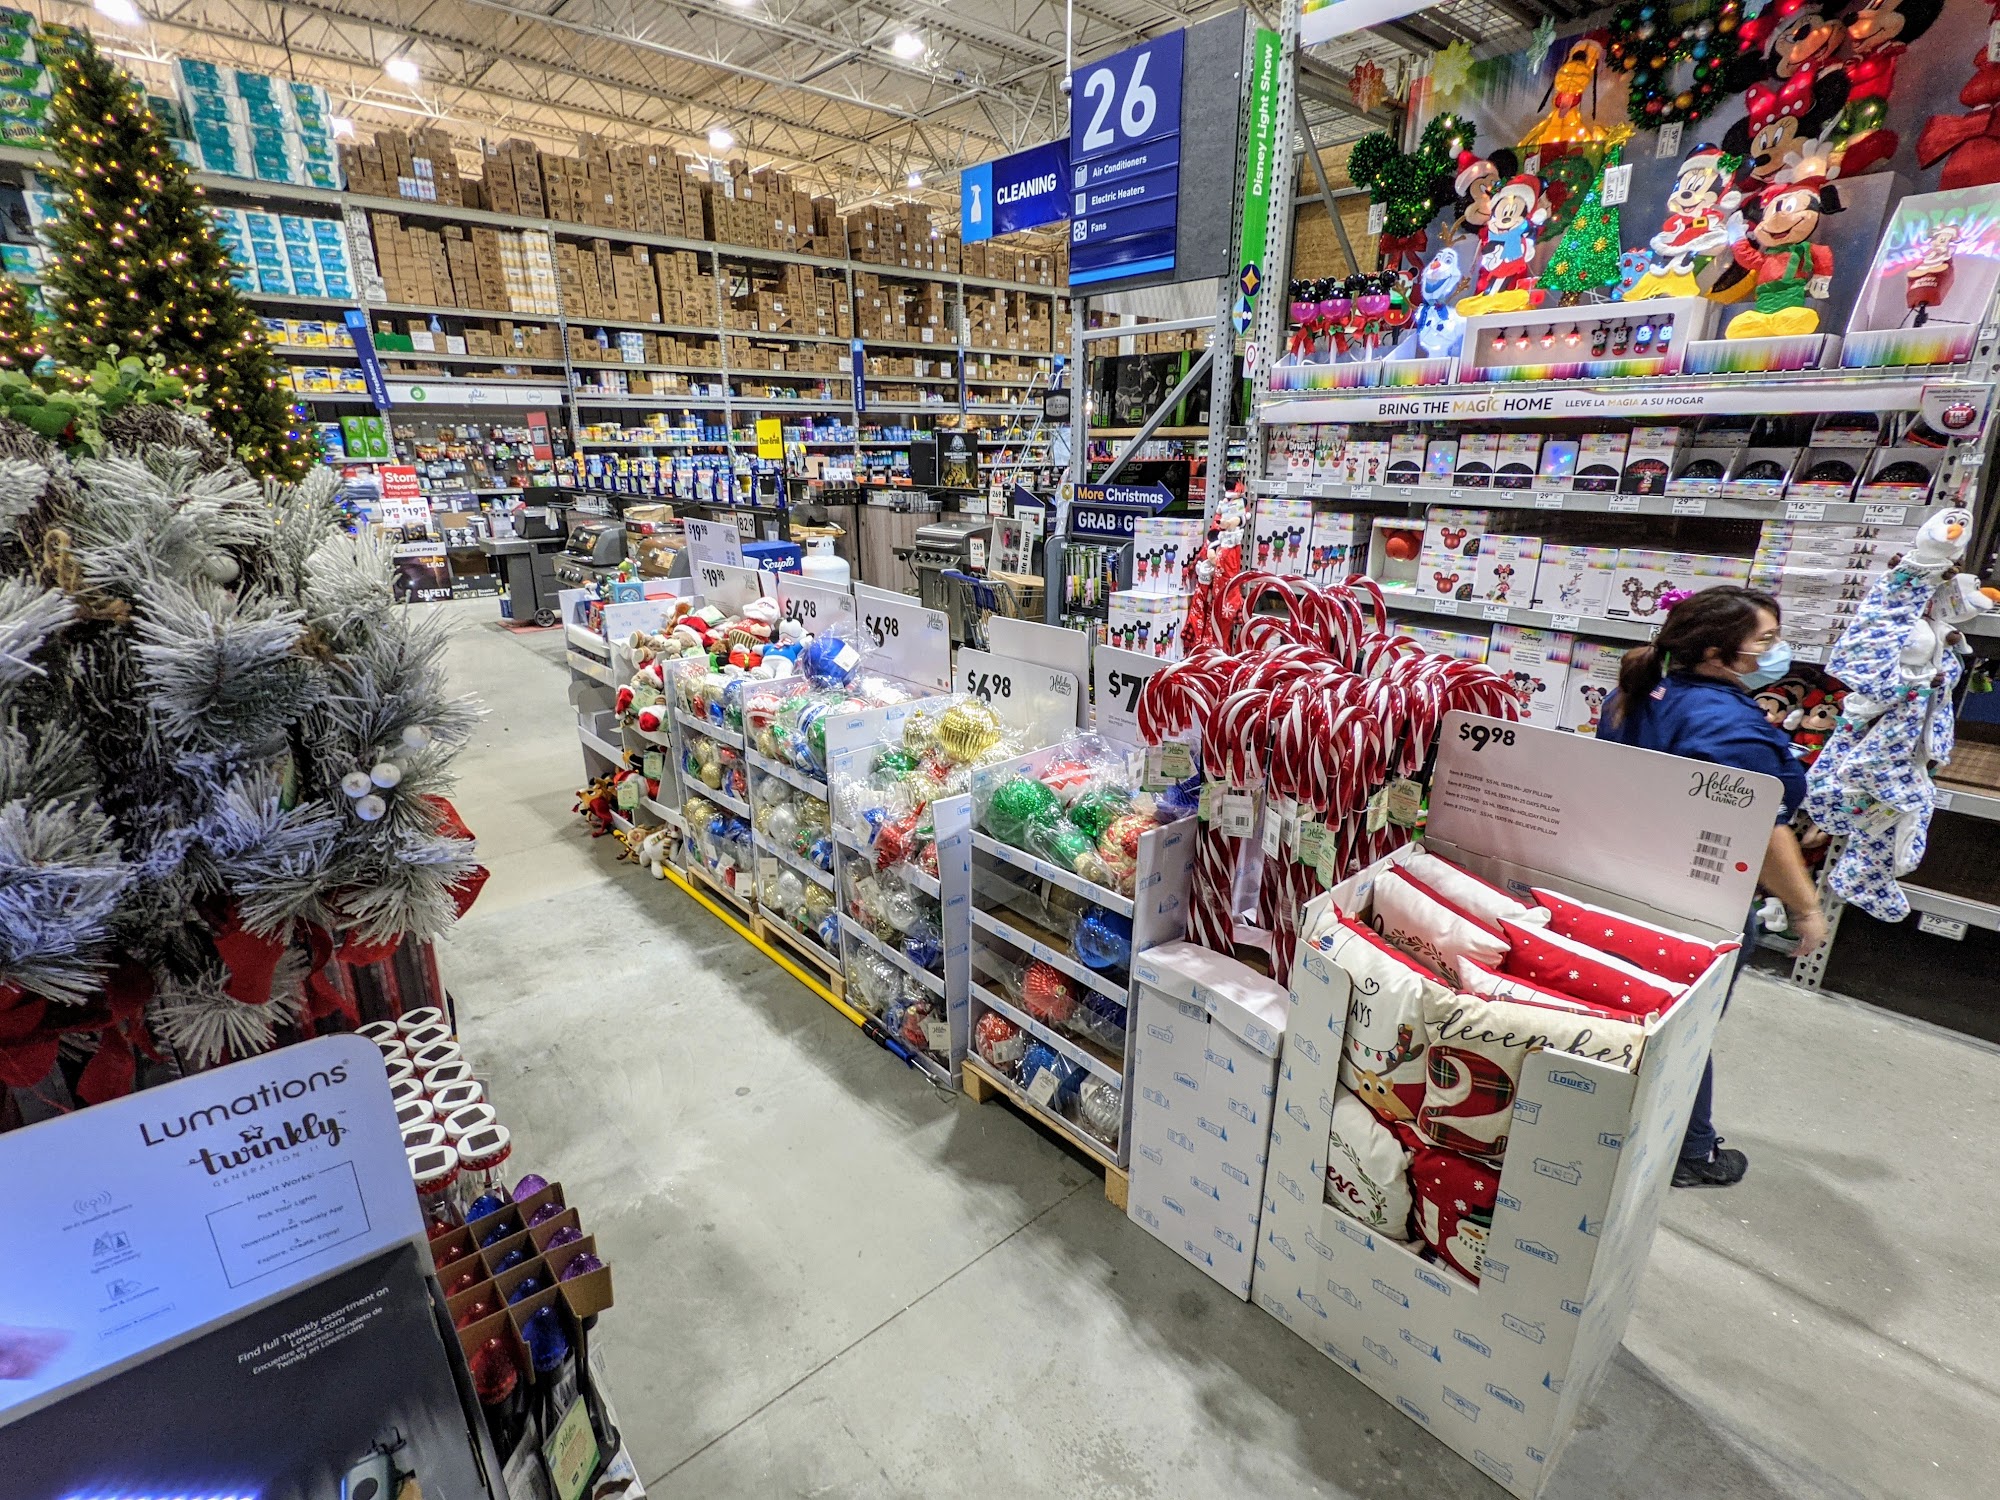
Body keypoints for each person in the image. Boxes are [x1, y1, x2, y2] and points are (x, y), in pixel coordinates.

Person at [1598, 586, 1829, 1188]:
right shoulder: (1726, 723)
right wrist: (1806, 909)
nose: (1776, 652)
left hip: (1620, 878)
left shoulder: (1635, 693)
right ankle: (1689, 1154)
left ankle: (1614, 1128)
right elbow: (1763, 831)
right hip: (1700, 899)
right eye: (1766, 640)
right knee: (1685, 1028)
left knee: (1634, 1012)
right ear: (1714, 650)